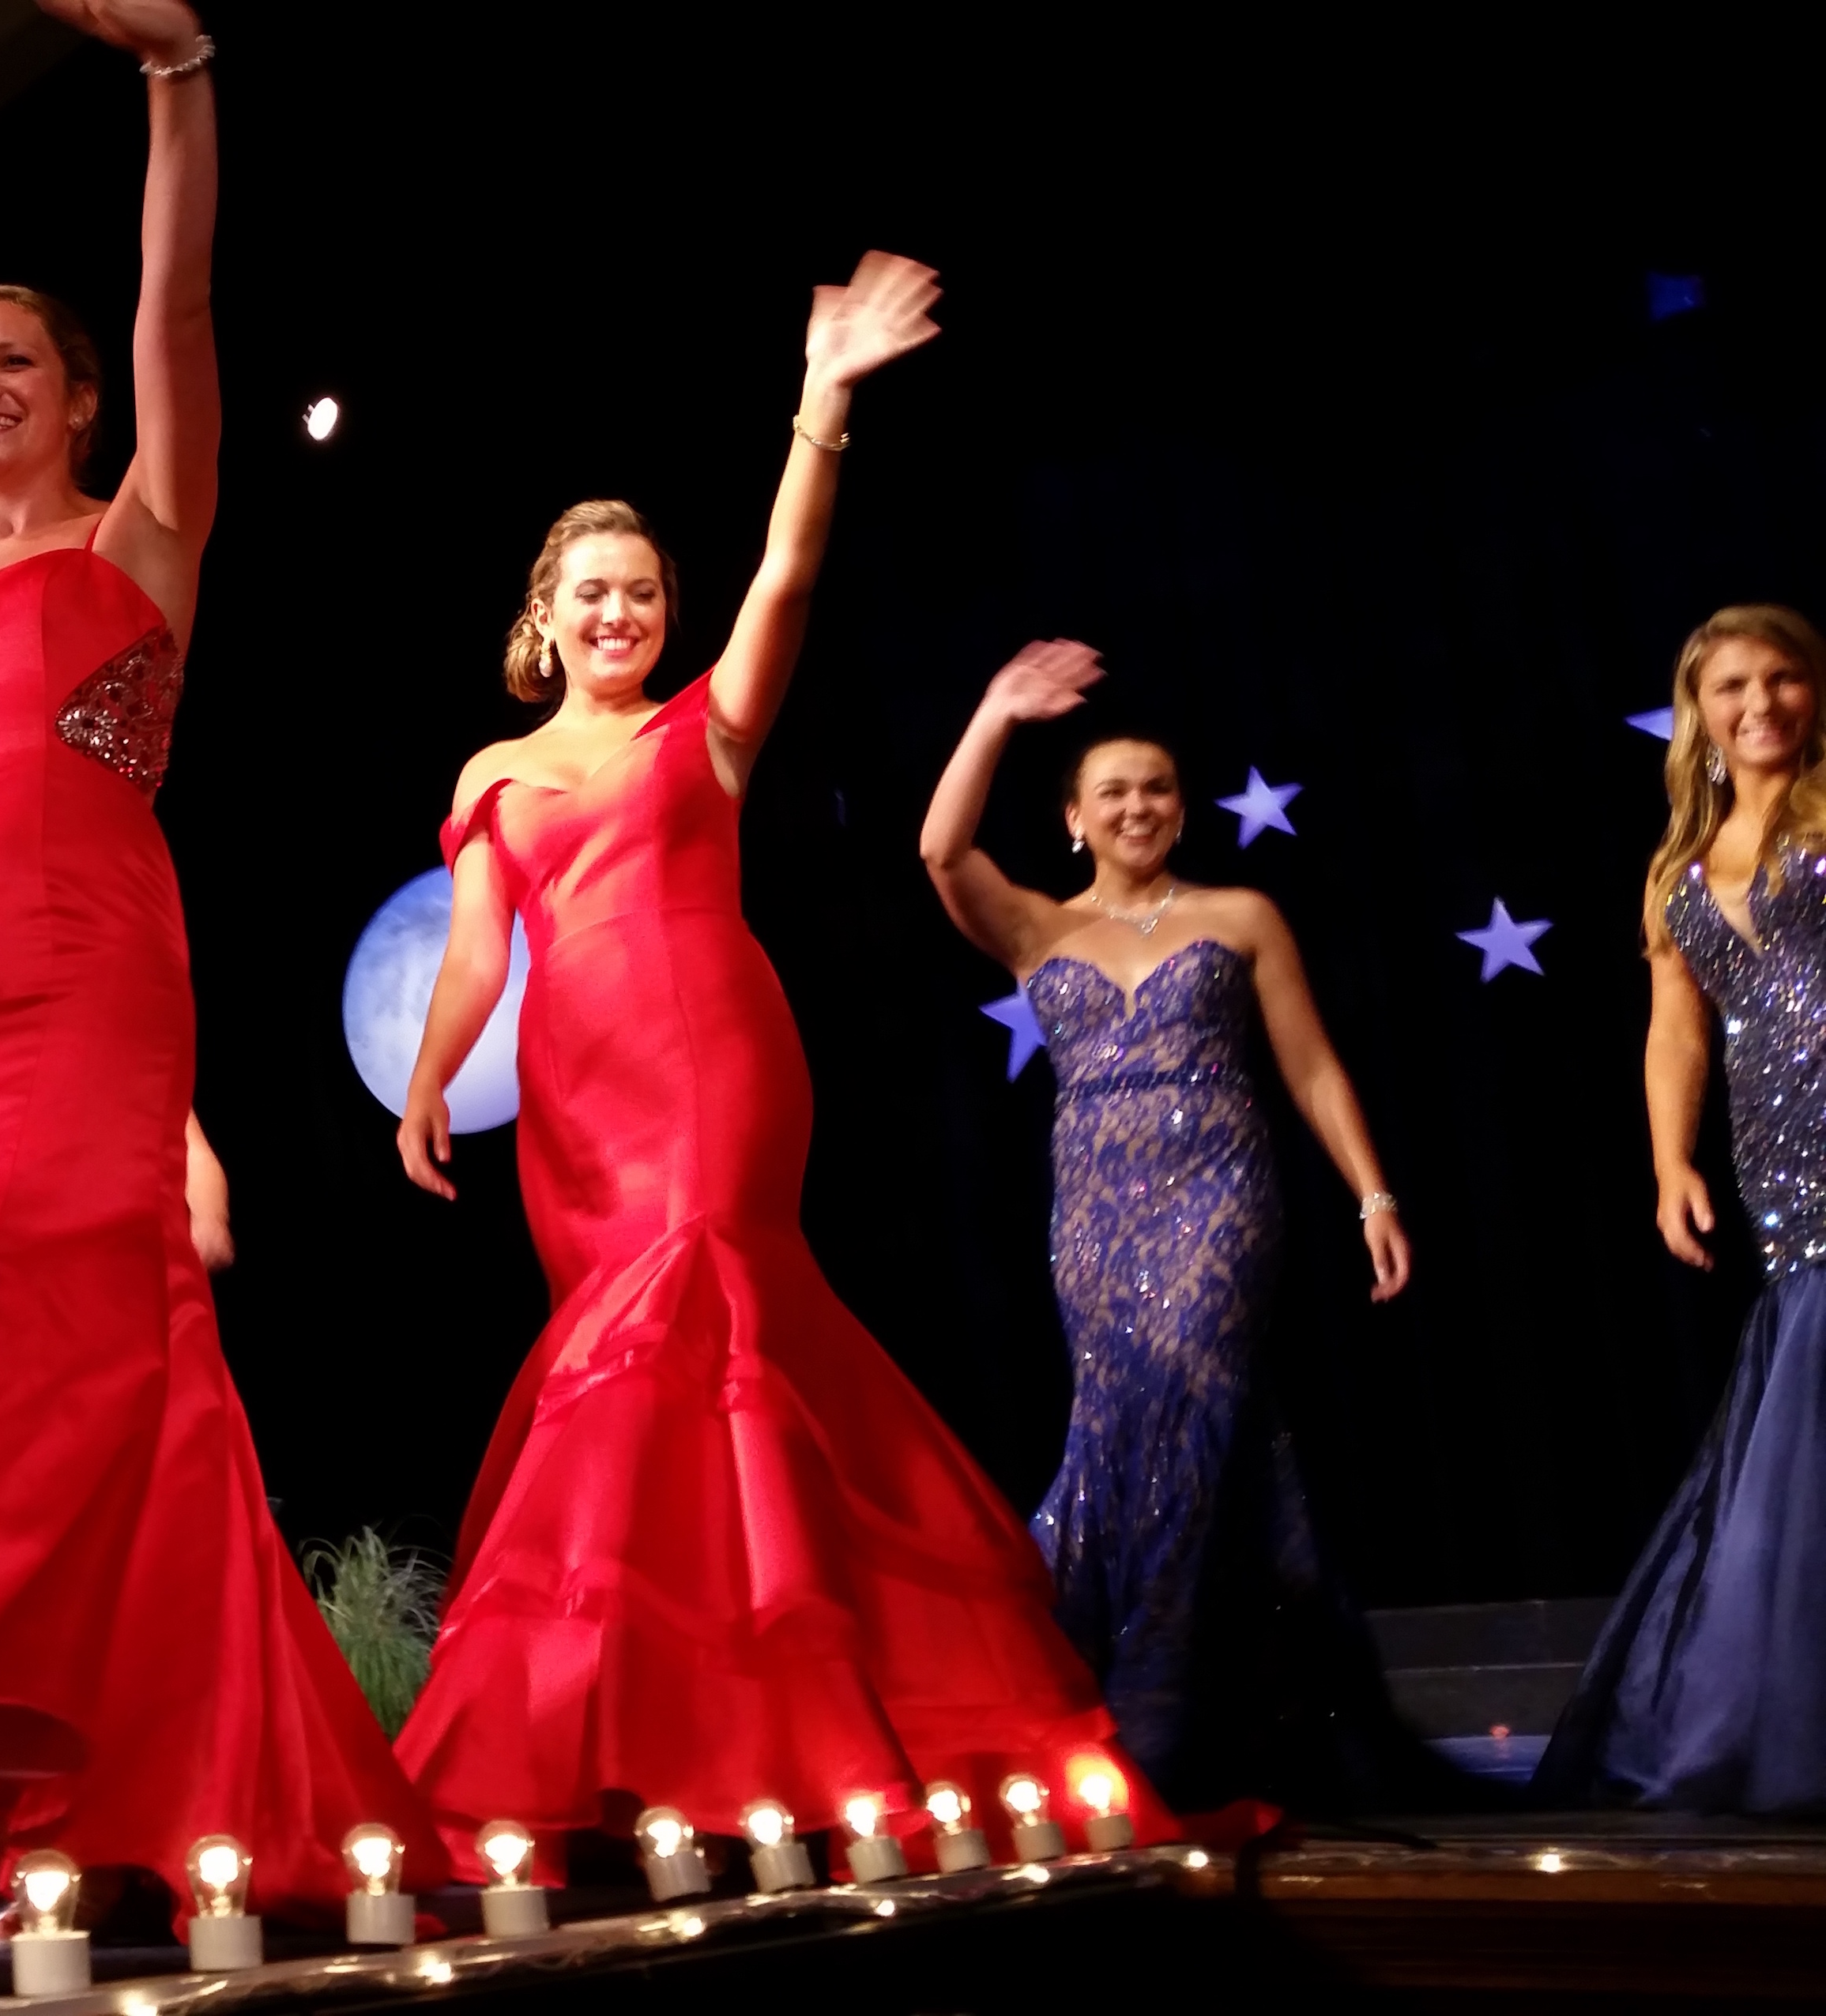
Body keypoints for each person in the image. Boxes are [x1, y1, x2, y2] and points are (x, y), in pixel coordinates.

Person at [0, 0, 436, 1920]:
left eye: (15, 362)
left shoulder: (143, 540)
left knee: (63, 1344)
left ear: (74, 397)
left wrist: (175, 81)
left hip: (91, 983)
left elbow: (184, 317)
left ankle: (75, 1790)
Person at [393, 256, 1173, 1877]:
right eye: (592, 592)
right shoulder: (492, 772)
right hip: (572, 1103)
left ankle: (801, 1732)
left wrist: (821, 403)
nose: (622, 613)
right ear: (544, 613)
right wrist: (427, 1081)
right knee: (627, 1373)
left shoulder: (710, 729)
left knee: (707, 1299)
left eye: (643, 593)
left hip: (713, 1064)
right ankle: (687, 1746)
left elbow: (788, 582)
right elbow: (477, 952)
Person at [919, 639, 1419, 1807]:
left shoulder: (1241, 914)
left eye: (1157, 789)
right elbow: (941, 848)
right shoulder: (1039, 928)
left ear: (1181, 807)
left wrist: (1373, 1193)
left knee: (1200, 1395)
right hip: (1094, 1214)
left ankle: (1165, 1710)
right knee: (1125, 1423)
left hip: (1221, 1205)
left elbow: (1311, 1067)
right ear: (1075, 819)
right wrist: (995, 709)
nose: (1139, 806)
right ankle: (1210, 1692)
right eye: (1114, 793)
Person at [1542, 604, 1826, 1819]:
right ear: (1699, 714)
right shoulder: (1677, 867)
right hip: (1784, 1159)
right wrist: (1669, 1164)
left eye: (1783, 679)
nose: (1759, 703)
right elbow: (1676, 1030)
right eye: (1731, 688)